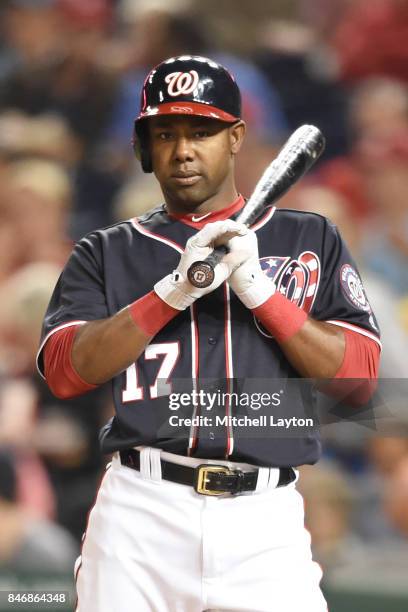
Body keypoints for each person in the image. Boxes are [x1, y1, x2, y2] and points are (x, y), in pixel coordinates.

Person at [37, 56, 381, 612]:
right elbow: (64, 371)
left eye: (202, 131)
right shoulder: (106, 251)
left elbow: (361, 384)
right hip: (141, 511)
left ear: (236, 137)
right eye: (165, 133)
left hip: (264, 520)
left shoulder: (307, 236)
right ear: (144, 145)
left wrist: (262, 292)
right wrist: (171, 292)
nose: (183, 150)